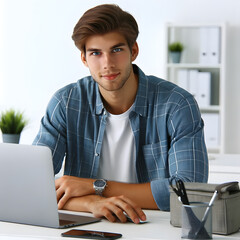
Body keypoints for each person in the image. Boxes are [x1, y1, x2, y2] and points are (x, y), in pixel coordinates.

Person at [33, 4, 208, 224]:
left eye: (116, 50)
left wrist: (94, 187)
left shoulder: (177, 104)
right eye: (96, 53)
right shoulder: (66, 103)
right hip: (88, 224)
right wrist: (90, 203)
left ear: (133, 51)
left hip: (155, 227)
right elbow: (32, 186)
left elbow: (190, 190)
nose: (107, 64)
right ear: (84, 59)